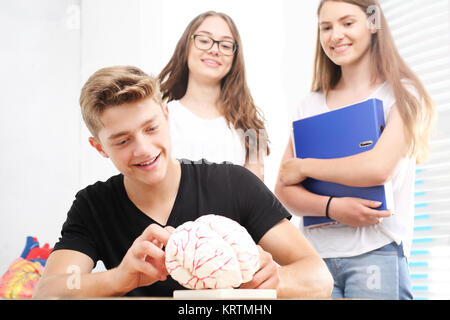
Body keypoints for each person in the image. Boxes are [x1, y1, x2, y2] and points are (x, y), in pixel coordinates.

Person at [32, 65, 333, 299]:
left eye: (151, 128)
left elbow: (319, 277)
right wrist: (120, 277)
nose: (143, 149)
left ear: (166, 115)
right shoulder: (94, 206)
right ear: (99, 147)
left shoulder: (233, 184)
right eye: (122, 140)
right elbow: (51, 291)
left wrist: (267, 282)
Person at [275, 0, 435, 300]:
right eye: (326, 27)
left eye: (347, 23)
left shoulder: (401, 95)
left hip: (376, 254)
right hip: (314, 261)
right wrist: (332, 208)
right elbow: (284, 192)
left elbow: (377, 168)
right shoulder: (308, 105)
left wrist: (305, 166)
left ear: (373, 24)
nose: (335, 35)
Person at [158, 11, 268, 181]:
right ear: (186, 47)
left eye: (225, 45)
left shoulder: (251, 125)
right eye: (203, 40)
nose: (214, 50)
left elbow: (256, 192)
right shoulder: (161, 119)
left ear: (234, 57)